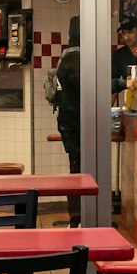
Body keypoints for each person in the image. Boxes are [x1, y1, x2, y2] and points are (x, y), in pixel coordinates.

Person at [55, 17, 84, 173]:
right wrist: (119, 84)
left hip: (68, 122)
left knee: (75, 166)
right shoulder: (76, 60)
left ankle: (77, 197)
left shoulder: (67, 56)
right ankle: (79, 198)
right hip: (75, 124)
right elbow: (89, 89)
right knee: (79, 169)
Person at [111, 18, 137, 97]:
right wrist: (107, 108)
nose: (126, 37)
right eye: (124, 33)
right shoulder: (118, 55)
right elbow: (113, 85)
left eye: (130, 32)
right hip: (131, 101)